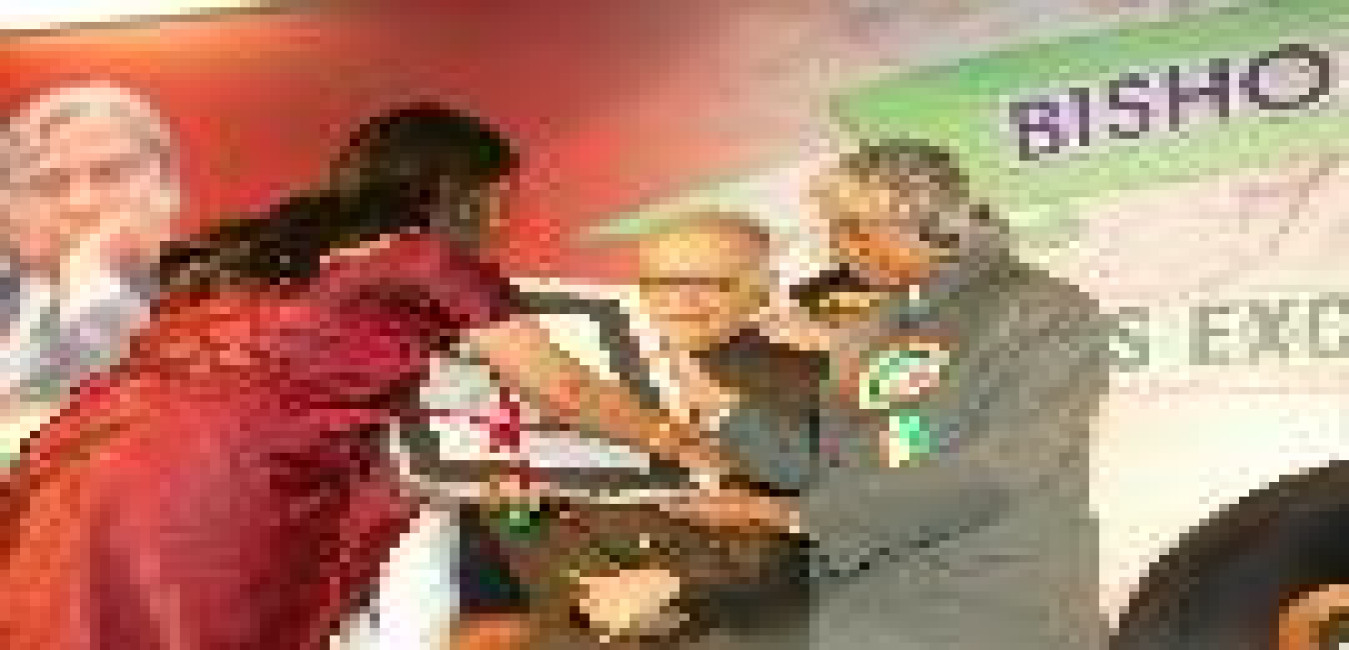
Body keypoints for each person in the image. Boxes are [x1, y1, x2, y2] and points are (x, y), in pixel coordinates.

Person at [0, 104, 786, 650]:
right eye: (498, 200)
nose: (500, 220)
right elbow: (566, 390)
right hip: (219, 478)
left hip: (96, 450)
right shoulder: (427, 262)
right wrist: (674, 437)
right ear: (459, 193)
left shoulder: (281, 246)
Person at [769, 139, 1112, 650]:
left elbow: (1000, 466)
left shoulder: (1044, 311)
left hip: (991, 616)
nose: (840, 248)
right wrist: (719, 418)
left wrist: (805, 517)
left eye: (851, 228)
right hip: (873, 612)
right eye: (836, 230)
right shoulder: (879, 322)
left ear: (924, 224)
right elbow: (850, 456)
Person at [0, 82, 179, 460]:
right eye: (50, 183)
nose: (81, 204)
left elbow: (102, 435)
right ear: (11, 208)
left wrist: (93, 291)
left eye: (110, 174)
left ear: (166, 191)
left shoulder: (216, 302)